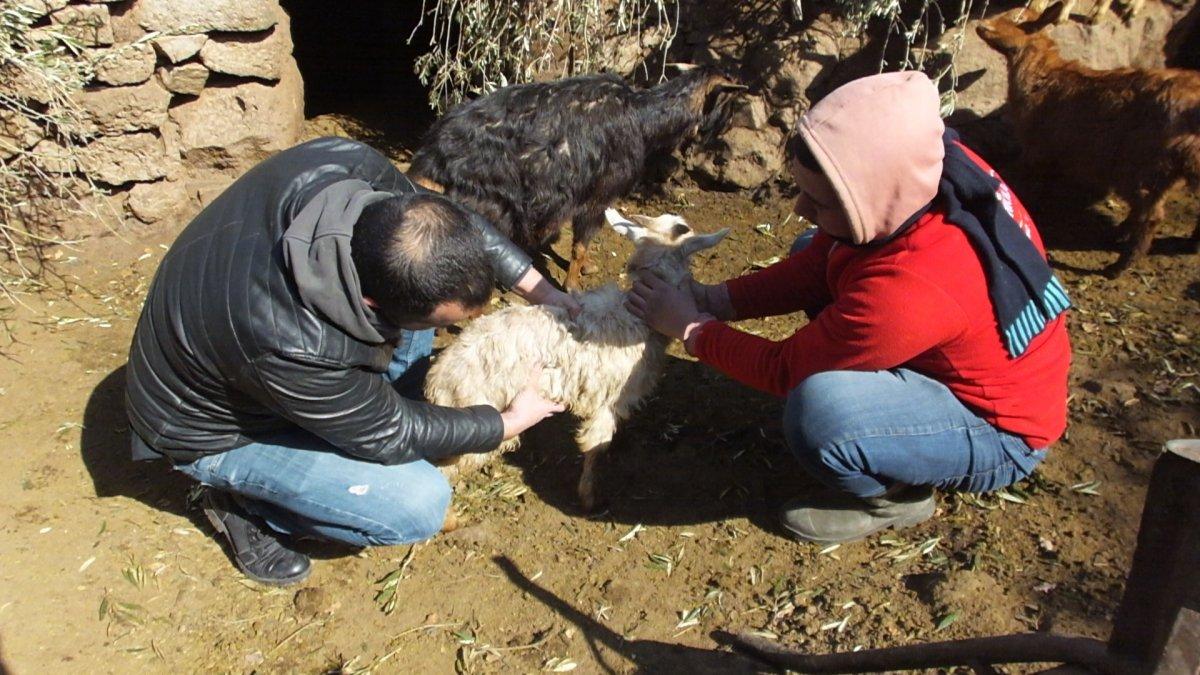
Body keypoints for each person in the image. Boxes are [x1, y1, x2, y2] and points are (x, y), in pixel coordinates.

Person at [628, 72, 1072, 544]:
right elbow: (823, 259)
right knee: (812, 245)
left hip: (999, 431)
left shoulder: (912, 287)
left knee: (821, 412)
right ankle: (886, 403)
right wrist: (718, 299)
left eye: (817, 199)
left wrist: (693, 328)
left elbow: (786, 370)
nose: (799, 207)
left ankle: (895, 496)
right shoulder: (926, 172)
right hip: (964, 344)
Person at [125, 137, 578, 585]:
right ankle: (244, 503)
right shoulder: (289, 341)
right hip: (210, 428)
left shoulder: (345, 166)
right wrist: (506, 423)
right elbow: (390, 432)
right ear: (371, 302)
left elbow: (451, 226)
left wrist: (547, 294)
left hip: (239, 343)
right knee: (416, 504)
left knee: (413, 338)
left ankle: (341, 423)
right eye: (439, 321)